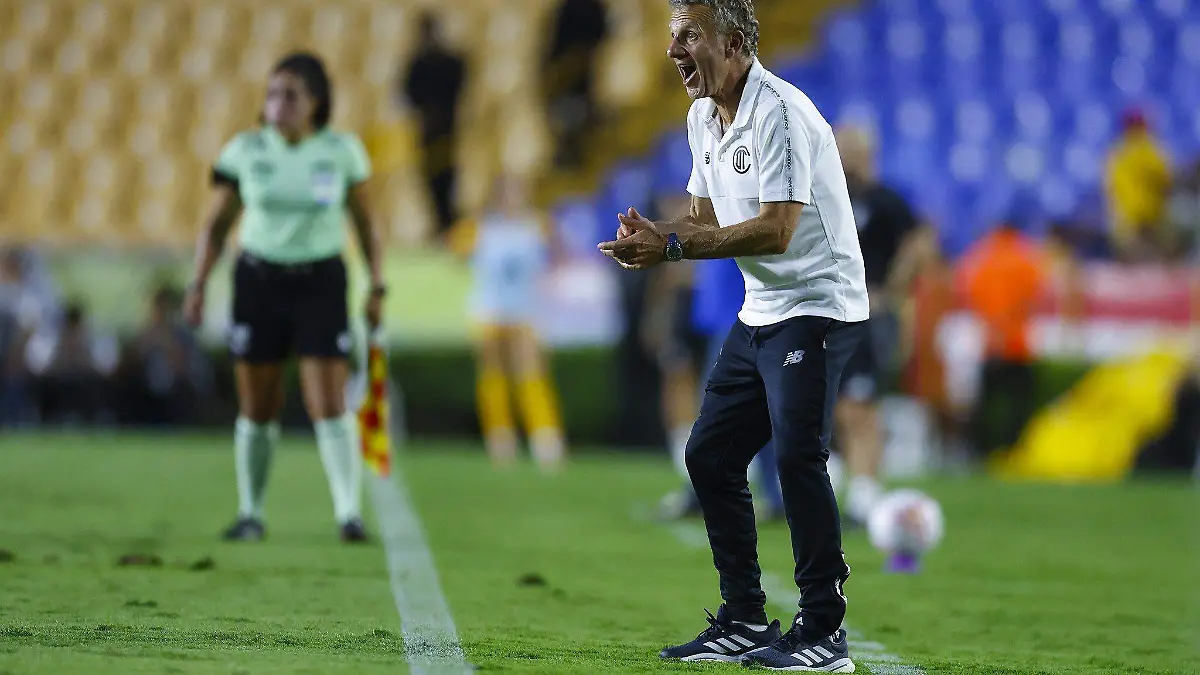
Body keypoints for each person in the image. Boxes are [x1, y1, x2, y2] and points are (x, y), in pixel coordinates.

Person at [598, 1, 868, 670]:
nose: (673, 51)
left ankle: (824, 630)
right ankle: (745, 617)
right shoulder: (702, 117)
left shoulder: (781, 113)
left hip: (819, 302)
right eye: (673, 38)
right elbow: (704, 222)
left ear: (735, 42)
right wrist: (659, 237)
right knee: (710, 455)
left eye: (688, 36)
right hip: (763, 308)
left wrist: (675, 249)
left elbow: (776, 231)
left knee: (797, 457)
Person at [184, 52, 385, 544]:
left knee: (328, 400)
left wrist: (377, 284)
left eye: (290, 95)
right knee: (257, 403)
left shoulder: (342, 151)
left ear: (316, 102)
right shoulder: (245, 150)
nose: (278, 104)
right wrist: (199, 284)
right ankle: (250, 513)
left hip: (321, 281)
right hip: (259, 281)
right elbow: (216, 225)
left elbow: (366, 223)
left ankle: (348, 514)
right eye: (272, 94)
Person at [833, 125, 923, 526]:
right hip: (834, 313)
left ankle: (866, 495)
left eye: (848, 148)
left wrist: (891, 289)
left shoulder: (884, 200)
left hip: (868, 318)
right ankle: (854, 487)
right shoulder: (830, 195)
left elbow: (918, 244)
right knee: (840, 406)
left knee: (860, 405)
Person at [457, 174, 566, 471]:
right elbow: (454, 252)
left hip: (524, 310)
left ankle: (544, 437)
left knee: (529, 372)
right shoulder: (481, 227)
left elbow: (557, 257)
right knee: (493, 374)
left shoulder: (538, 226)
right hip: (489, 310)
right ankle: (500, 437)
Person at [401, 12, 466, 239]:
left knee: (449, 181)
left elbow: (460, 89)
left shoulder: (452, 62)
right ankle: (440, 226)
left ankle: (451, 227)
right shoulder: (417, 64)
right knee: (430, 182)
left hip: (449, 133)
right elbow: (408, 94)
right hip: (428, 134)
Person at [1104, 108, 1171, 262]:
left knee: (1148, 260)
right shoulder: (1124, 153)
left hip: (1149, 217)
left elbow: (1165, 181)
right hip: (1134, 218)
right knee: (1138, 259)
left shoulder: (1150, 151)